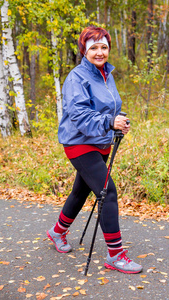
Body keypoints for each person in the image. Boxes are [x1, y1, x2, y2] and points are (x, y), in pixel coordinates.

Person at [47, 26, 143, 274]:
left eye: (103, 47)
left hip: (101, 141)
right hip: (79, 142)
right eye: (93, 48)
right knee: (107, 191)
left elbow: (107, 108)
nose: (99, 52)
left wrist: (118, 123)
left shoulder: (106, 74)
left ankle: (57, 232)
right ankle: (116, 255)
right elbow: (78, 114)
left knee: (81, 192)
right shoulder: (77, 77)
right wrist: (109, 123)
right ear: (84, 50)